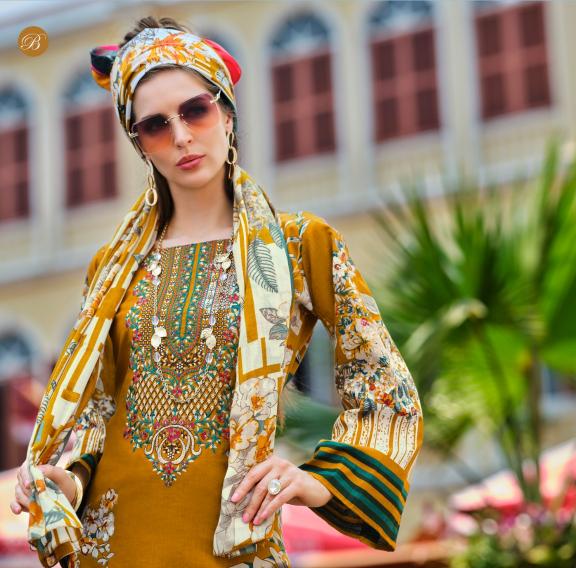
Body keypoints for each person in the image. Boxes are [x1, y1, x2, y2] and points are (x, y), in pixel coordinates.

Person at [9, 16, 423, 568]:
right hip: (110, 549)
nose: (181, 136)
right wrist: (67, 479)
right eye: (155, 125)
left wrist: (320, 481)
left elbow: (385, 389)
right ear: (139, 143)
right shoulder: (110, 269)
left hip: (233, 545)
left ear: (227, 113)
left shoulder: (300, 245)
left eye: (195, 110)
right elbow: (97, 418)